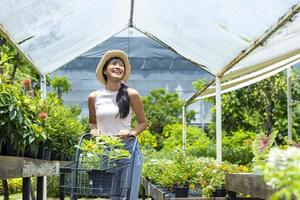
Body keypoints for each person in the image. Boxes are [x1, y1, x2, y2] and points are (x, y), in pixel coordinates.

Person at [88, 49, 147, 200]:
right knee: (112, 195)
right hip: (106, 151)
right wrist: (94, 130)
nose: (118, 67)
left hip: (128, 151)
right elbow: (92, 122)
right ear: (105, 71)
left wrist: (131, 133)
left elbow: (143, 123)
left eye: (121, 65)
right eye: (114, 64)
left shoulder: (131, 94)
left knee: (128, 196)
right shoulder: (94, 97)